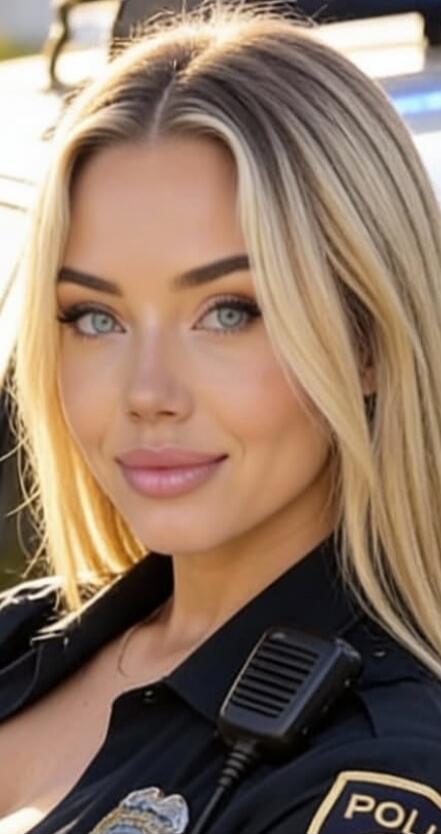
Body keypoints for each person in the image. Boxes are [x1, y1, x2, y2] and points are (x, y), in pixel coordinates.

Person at [0, 3, 441, 833]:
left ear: (371, 338)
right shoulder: (25, 638)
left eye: (230, 311)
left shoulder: (381, 767)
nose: (148, 390)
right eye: (95, 317)